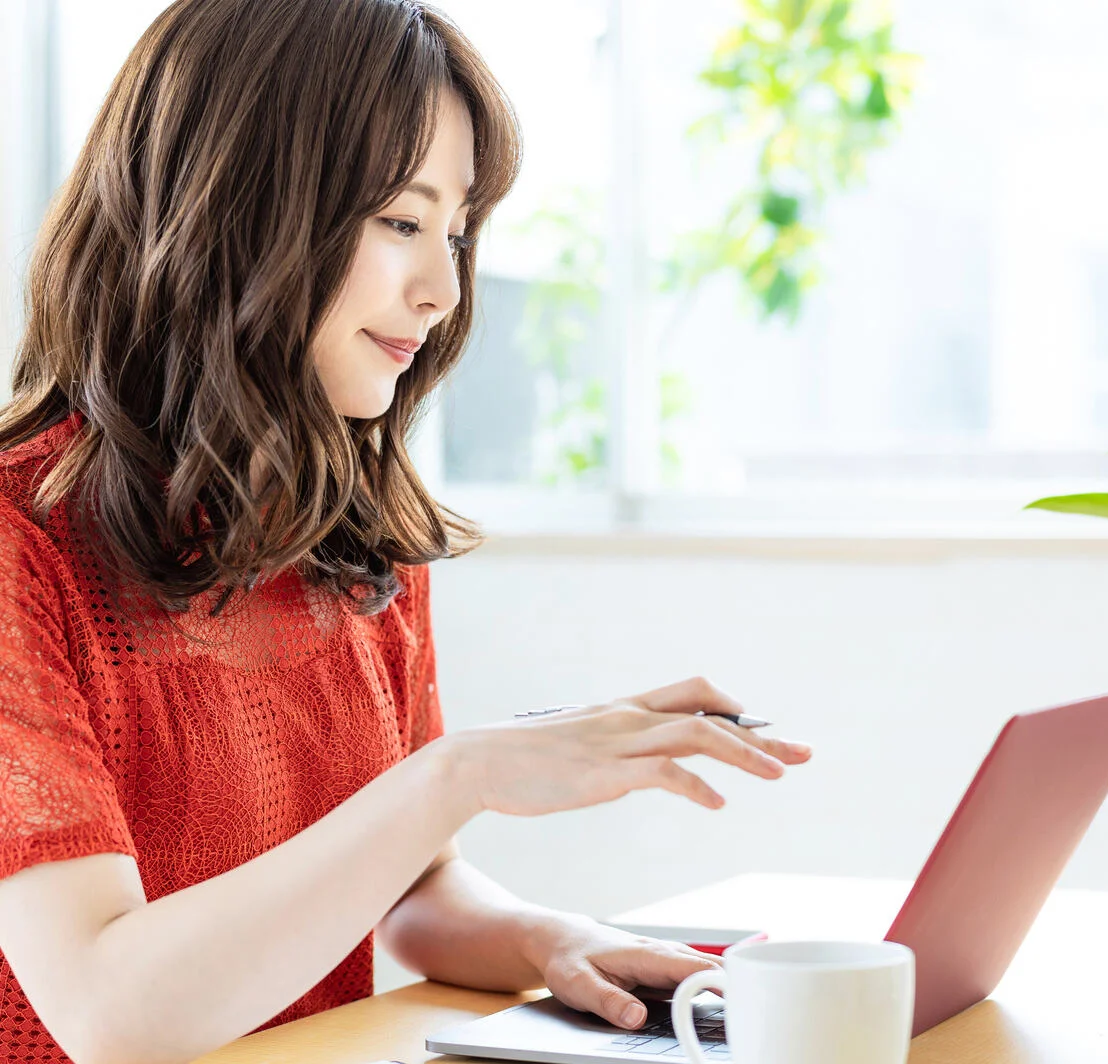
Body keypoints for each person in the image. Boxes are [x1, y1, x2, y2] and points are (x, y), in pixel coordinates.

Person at [0, 3, 812, 1063]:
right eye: (400, 220)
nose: (443, 290)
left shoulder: (348, 537)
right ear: (230, 205)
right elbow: (111, 1012)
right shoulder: (25, 544)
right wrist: (456, 774)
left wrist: (559, 942)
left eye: (459, 230)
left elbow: (408, 891)